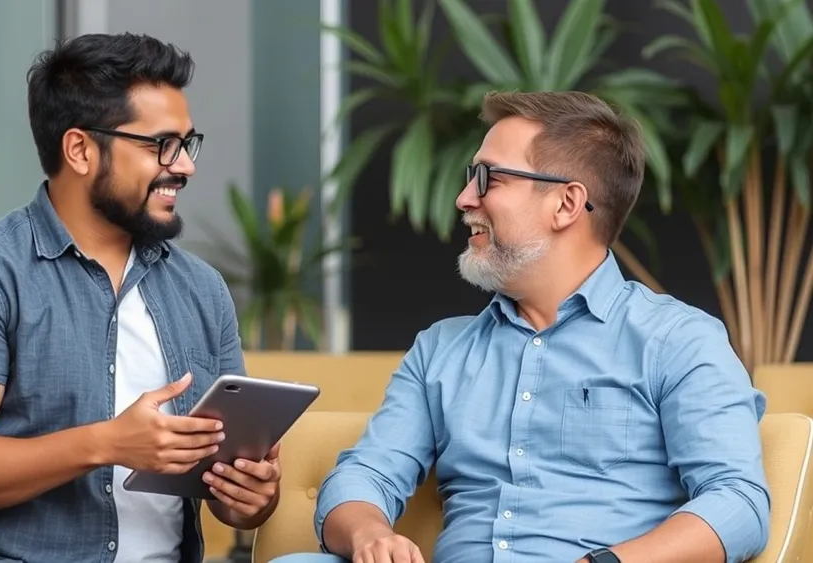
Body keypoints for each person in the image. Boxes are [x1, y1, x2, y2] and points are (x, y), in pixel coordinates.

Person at [272, 91, 770, 563]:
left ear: (566, 204)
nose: (465, 199)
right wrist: (371, 534)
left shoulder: (679, 341)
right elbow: (366, 474)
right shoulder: (440, 350)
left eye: (489, 178)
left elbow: (738, 503)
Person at [0, 33, 280, 563]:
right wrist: (107, 443)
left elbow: (234, 500)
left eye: (188, 144)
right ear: (80, 149)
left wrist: (251, 497)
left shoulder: (201, 289)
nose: (185, 166)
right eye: (161, 145)